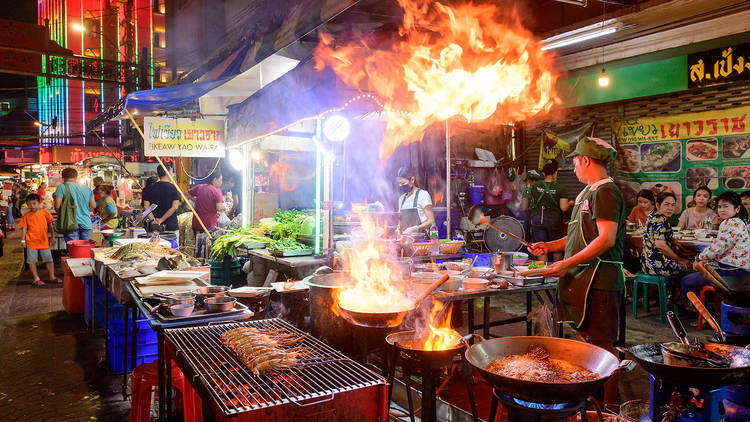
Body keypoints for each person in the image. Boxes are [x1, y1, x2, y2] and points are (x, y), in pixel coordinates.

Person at [528, 137, 625, 406]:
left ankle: (610, 405)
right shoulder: (586, 193)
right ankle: (592, 395)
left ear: (586, 160)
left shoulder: (606, 192)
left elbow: (606, 239)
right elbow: (574, 239)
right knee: (586, 342)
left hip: (600, 280)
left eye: (574, 161)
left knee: (603, 346)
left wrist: (565, 263)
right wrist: (548, 246)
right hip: (582, 279)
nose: (572, 168)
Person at [681, 192, 750, 296]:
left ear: (737, 209)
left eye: (726, 206)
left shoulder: (730, 223)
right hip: (739, 270)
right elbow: (720, 246)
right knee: (700, 268)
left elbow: (718, 247)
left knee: (686, 280)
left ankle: (699, 309)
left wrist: (699, 257)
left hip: (732, 271)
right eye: (719, 207)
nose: (721, 210)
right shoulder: (739, 222)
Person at [524, 161, 569, 261]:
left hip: (537, 220)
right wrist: (571, 203)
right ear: (555, 173)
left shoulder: (535, 186)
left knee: (540, 247)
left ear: (543, 173)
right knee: (556, 248)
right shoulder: (560, 188)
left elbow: (526, 204)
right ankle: (556, 273)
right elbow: (564, 207)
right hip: (554, 221)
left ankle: (543, 273)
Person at [641, 191, 691, 277]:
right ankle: (678, 290)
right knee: (691, 266)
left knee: (689, 258)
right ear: (657, 205)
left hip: (647, 263)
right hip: (658, 265)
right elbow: (660, 245)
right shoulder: (660, 221)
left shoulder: (653, 216)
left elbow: (670, 238)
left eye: (673, 205)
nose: (670, 208)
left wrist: (684, 250)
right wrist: (680, 259)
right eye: (666, 204)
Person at [19, 194, 59, 286]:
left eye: (34, 203)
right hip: (31, 241)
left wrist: (52, 237)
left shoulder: (45, 212)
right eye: (29, 204)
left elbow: (50, 226)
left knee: (49, 259)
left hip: (44, 241)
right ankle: (36, 278)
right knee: (32, 260)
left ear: (39, 203)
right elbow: (24, 229)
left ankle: (52, 276)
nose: (32, 206)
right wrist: (23, 240)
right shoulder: (26, 216)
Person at [54, 167, 96, 242]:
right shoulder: (87, 188)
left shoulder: (62, 187)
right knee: (86, 249)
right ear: (76, 177)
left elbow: (57, 206)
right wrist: (84, 210)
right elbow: (93, 206)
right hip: (86, 223)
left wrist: (61, 215)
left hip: (70, 223)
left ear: (62, 177)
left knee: (74, 249)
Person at [142, 166, 182, 238]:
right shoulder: (174, 188)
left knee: (155, 246)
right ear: (168, 173)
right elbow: (175, 206)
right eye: (171, 171)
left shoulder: (149, 188)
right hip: (171, 227)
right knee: (172, 247)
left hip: (155, 228)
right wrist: (161, 220)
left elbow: (146, 207)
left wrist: (153, 220)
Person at [396, 167, 435, 235]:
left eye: (403, 183)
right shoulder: (401, 199)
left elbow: (431, 221)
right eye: (399, 184)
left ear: (412, 179)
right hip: (405, 239)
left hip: (421, 239)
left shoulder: (423, 195)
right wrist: (398, 230)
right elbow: (400, 222)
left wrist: (416, 228)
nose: (401, 186)